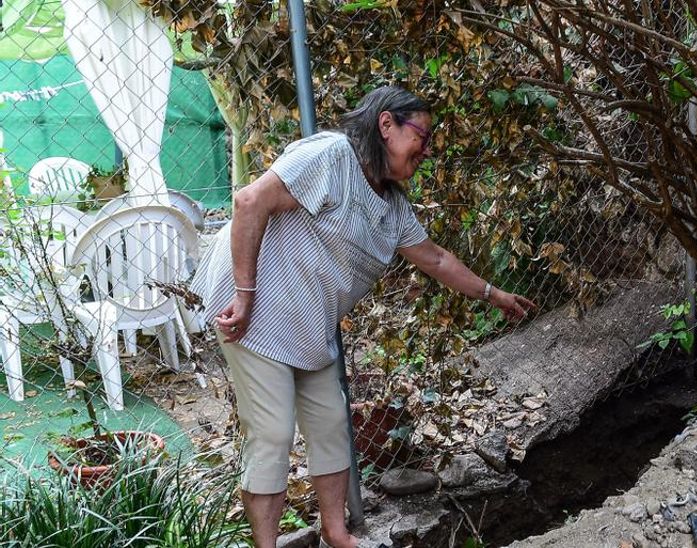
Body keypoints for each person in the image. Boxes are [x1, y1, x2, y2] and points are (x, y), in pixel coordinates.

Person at [191, 86, 535, 548]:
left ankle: (337, 533)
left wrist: (495, 295)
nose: (427, 150)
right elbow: (250, 202)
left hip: (309, 325)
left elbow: (434, 259)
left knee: (332, 425)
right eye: (423, 136)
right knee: (273, 433)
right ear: (386, 125)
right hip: (257, 315)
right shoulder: (332, 157)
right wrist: (244, 293)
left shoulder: (392, 206)